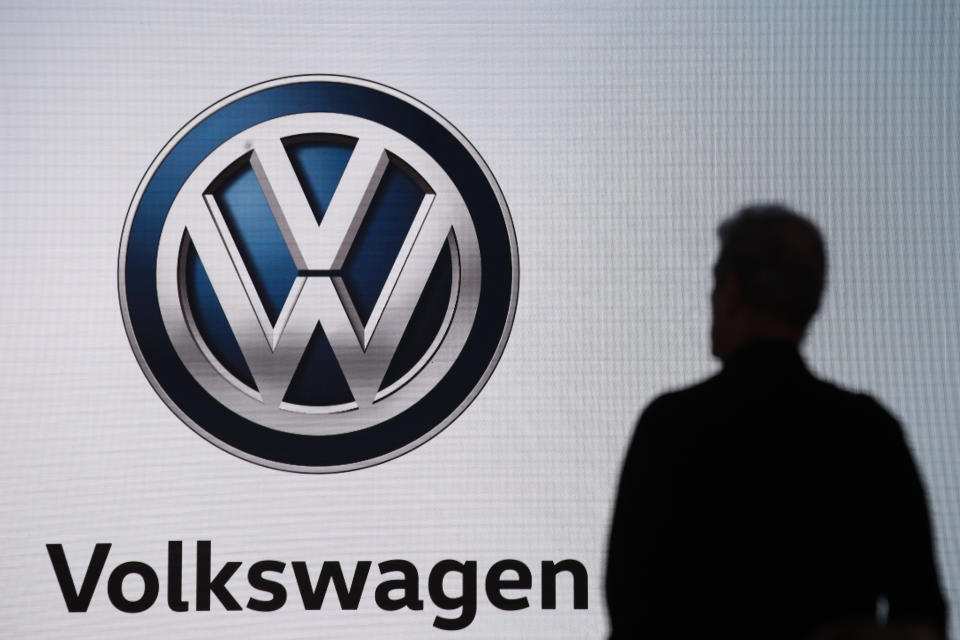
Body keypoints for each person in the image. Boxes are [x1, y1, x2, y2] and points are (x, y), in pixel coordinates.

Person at [605, 204, 948, 639]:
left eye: (714, 285)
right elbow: (921, 614)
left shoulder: (671, 426)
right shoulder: (869, 431)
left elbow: (632, 611)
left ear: (730, 290)